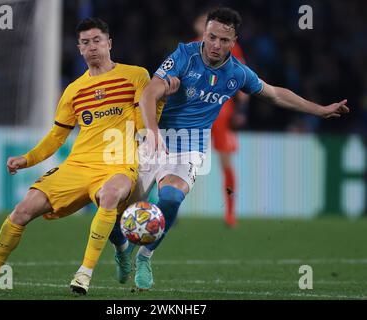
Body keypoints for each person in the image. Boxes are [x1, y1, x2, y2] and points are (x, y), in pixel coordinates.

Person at [111, 7, 349, 291]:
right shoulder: (183, 57)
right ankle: (121, 248)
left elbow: (274, 93)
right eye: (212, 37)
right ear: (204, 34)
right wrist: (151, 132)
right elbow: (150, 91)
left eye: (224, 40)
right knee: (115, 207)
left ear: (233, 41)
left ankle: (145, 256)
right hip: (156, 136)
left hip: (190, 144)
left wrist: (319, 110)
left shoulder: (236, 72)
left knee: (172, 198)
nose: (216, 45)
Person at [0, 17, 177, 295]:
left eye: (97, 41)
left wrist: (159, 101)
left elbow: (141, 125)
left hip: (118, 164)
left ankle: (84, 273)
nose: (92, 47)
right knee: (21, 211)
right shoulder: (73, 91)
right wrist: (27, 159)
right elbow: (56, 137)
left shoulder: (135, 75)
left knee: (111, 195)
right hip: (77, 166)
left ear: (109, 43)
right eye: (85, 43)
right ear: (79, 49)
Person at [193, 10, 250, 227]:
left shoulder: (231, 48)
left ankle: (230, 213)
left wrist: (242, 109)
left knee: (225, 161)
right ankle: (170, 209)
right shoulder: (189, 48)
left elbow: (242, 75)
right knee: (176, 159)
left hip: (220, 110)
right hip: (193, 109)